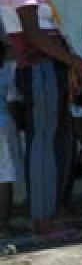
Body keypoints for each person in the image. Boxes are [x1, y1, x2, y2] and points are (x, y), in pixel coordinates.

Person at [0, 0, 82, 232]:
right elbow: (34, 35)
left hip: (50, 68)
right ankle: (42, 218)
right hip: (40, 68)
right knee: (44, 142)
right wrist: (73, 61)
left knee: (57, 138)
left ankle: (53, 209)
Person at [0, 34, 21, 237]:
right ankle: (4, 226)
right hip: (4, 126)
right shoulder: (9, 71)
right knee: (4, 177)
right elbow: (14, 103)